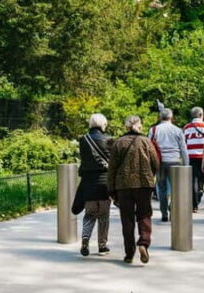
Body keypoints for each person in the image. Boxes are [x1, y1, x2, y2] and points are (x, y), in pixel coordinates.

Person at [108, 115, 159, 264]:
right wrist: (151, 175)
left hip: (123, 186)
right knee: (144, 214)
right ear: (139, 126)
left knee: (127, 219)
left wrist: (111, 189)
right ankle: (143, 242)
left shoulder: (118, 143)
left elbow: (112, 169)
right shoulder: (146, 141)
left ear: (126, 126)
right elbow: (155, 163)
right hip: (144, 184)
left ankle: (129, 253)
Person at [77, 113, 114, 256]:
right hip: (104, 183)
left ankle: (85, 238)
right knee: (104, 216)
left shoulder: (83, 140)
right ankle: (102, 246)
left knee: (89, 214)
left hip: (88, 183)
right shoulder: (109, 139)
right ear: (103, 124)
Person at [149, 108, 189, 221]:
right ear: (171, 117)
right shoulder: (177, 130)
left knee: (161, 188)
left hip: (160, 162)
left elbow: (149, 148)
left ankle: (164, 213)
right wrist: (186, 165)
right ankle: (174, 211)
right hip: (175, 162)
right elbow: (183, 149)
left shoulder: (154, 130)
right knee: (176, 189)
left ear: (160, 117)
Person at [183, 107, 204, 212]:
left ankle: (194, 205)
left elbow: (184, 143)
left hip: (191, 156)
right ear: (201, 115)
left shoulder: (187, 127)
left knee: (194, 180)